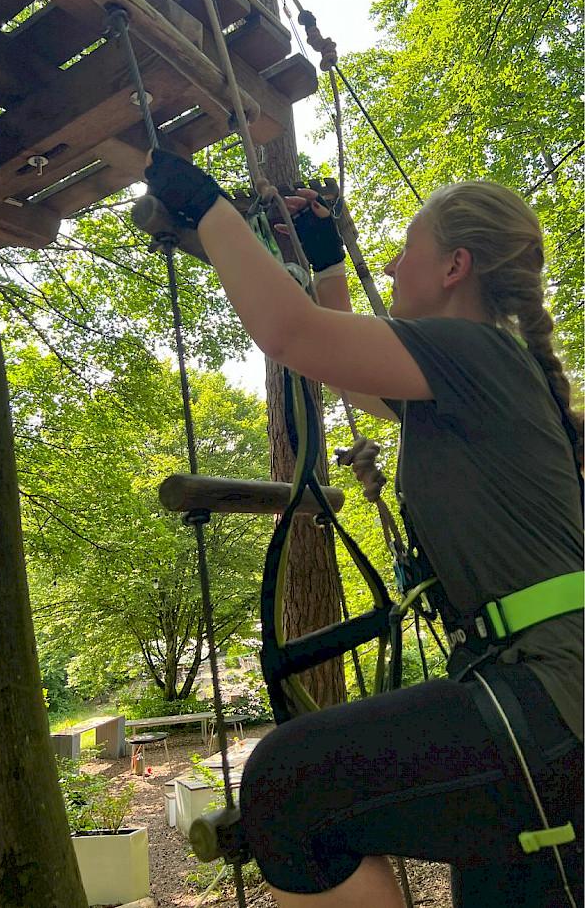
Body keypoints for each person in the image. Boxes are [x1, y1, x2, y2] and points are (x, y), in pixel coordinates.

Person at [145, 150, 583, 908]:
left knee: (287, 788)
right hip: (543, 692)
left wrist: (205, 204)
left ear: (454, 267)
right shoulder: (477, 373)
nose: (390, 262)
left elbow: (291, 335)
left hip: (547, 690)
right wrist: (324, 260)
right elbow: (345, 369)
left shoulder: (474, 352)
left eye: (407, 248)